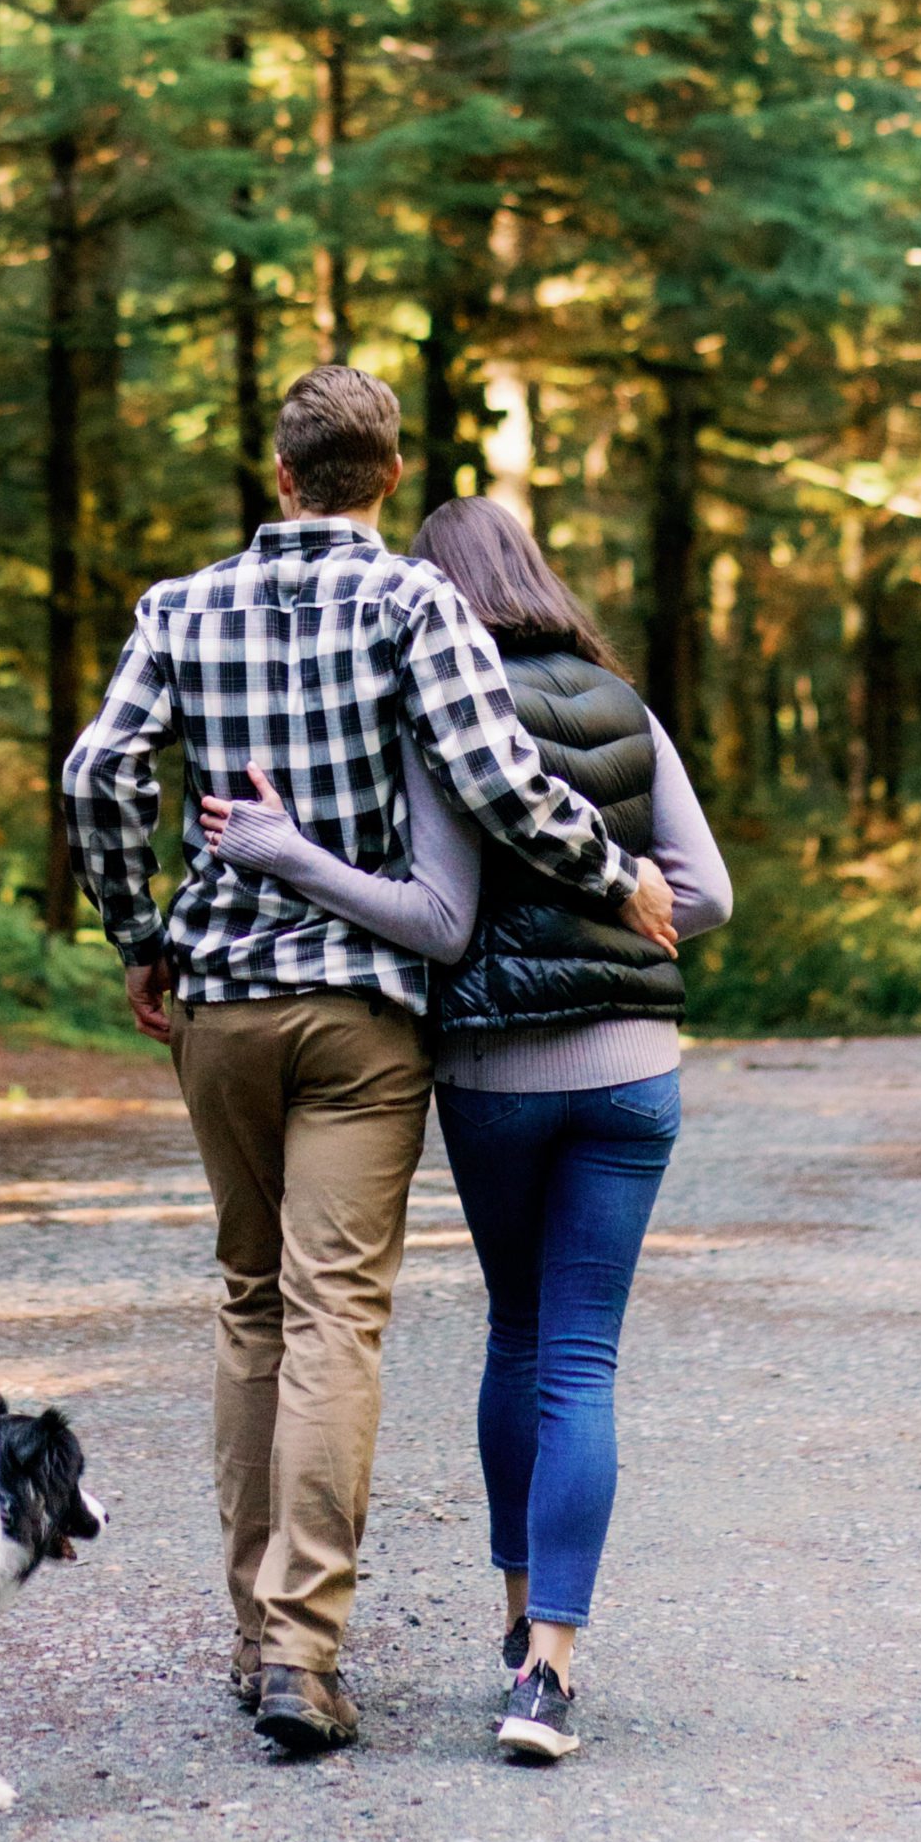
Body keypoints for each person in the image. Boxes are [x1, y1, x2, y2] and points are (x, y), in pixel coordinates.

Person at [61, 367, 678, 1758]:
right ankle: (302, 1654)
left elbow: (98, 773)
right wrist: (618, 871)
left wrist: (137, 934)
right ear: (389, 477)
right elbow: (501, 783)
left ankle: (250, 1640)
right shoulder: (414, 603)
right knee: (334, 1312)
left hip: (220, 1003)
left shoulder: (179, 608)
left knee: (251, 1303)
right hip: (361, 1013)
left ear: (279, 474)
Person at [201, 492, 731, 1763]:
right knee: (583, 1360)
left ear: (435, 598)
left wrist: (286, 852)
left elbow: (436, 923)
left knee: (520, 1333)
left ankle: (512, 1612)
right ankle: (548, 1670)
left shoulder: (447, 711)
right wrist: (618, 918)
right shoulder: (625, 706)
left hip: (499, 1076)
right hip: (635, 1073)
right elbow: (706, 894)